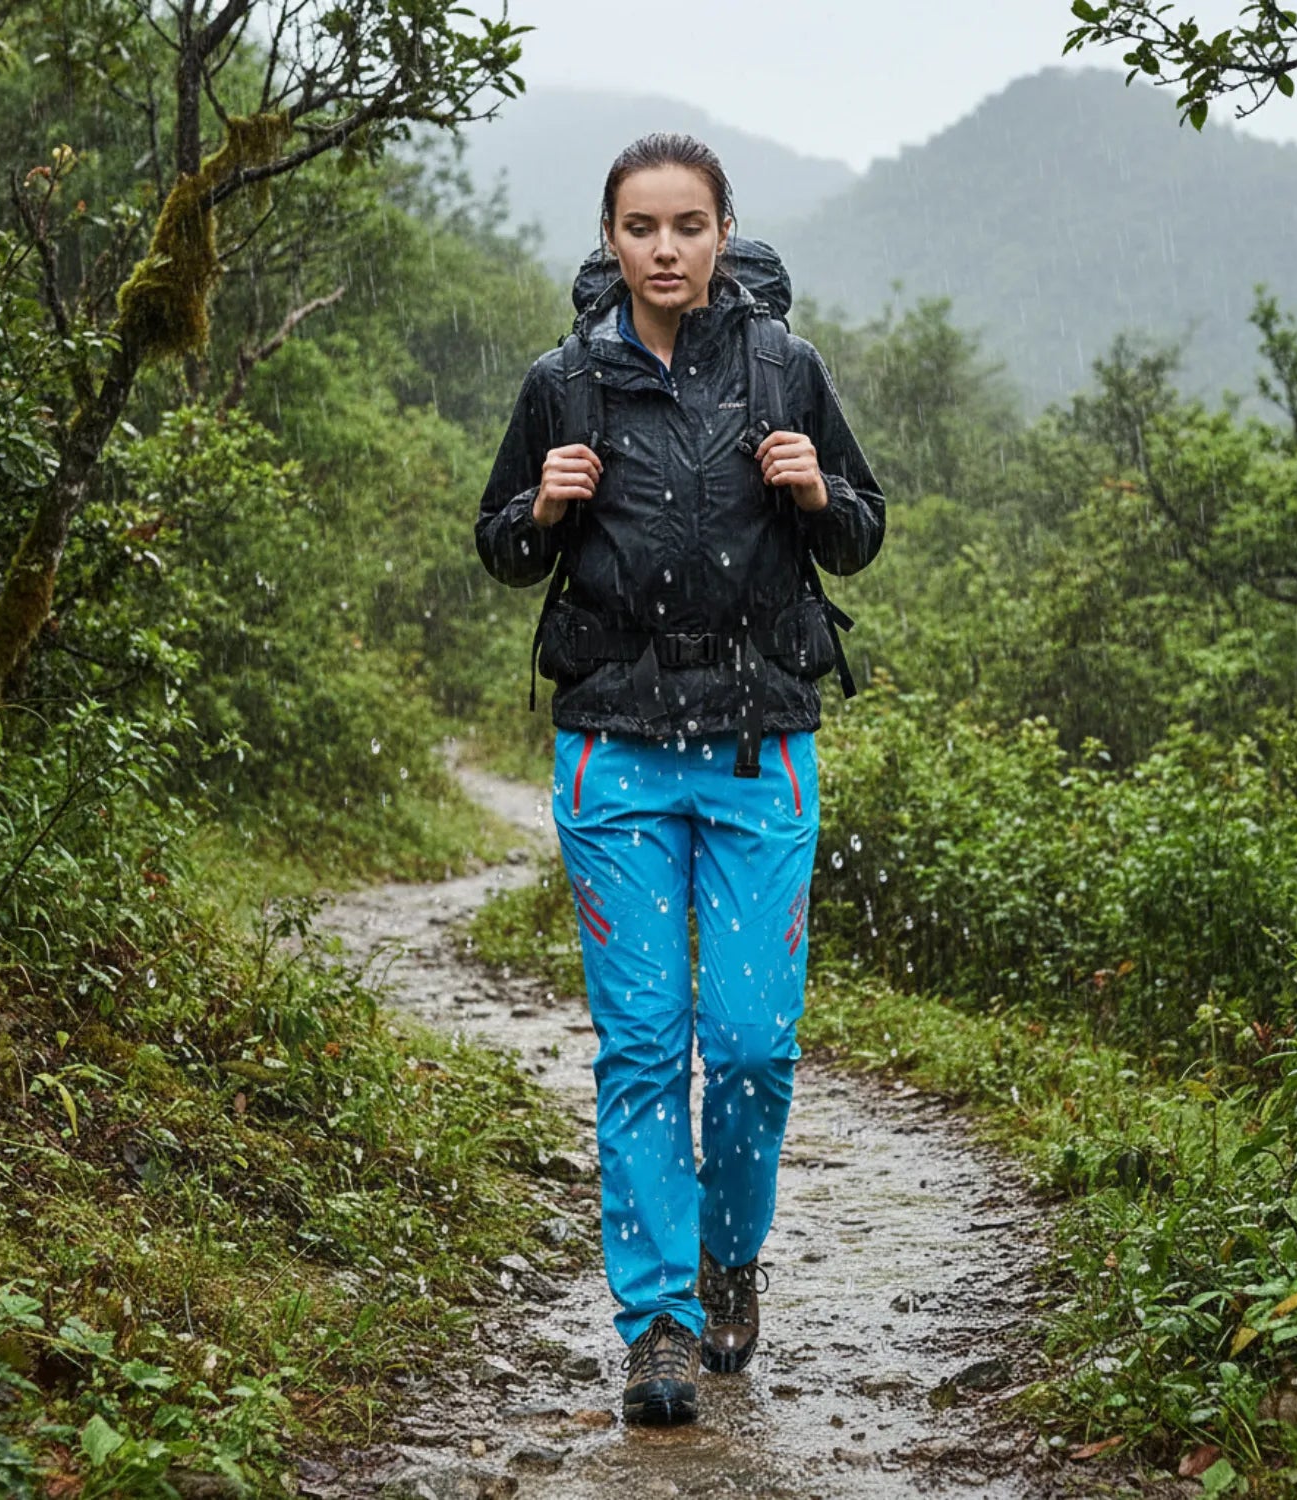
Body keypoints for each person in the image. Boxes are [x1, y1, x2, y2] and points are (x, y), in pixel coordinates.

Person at [475, 132, 885, 1427]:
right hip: (618, 748)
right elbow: (499, 550)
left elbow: (862, 534)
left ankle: (727, 1257)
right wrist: (541, 508)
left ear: (721, 235)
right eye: (640, 227)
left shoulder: (785, 371)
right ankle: (654, 1318)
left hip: (762, 748)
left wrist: (818, 491)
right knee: (646, 1046)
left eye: (687, 225)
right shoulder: (564, 384)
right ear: (610, 240)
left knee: (754, 1044)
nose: (664, 248)